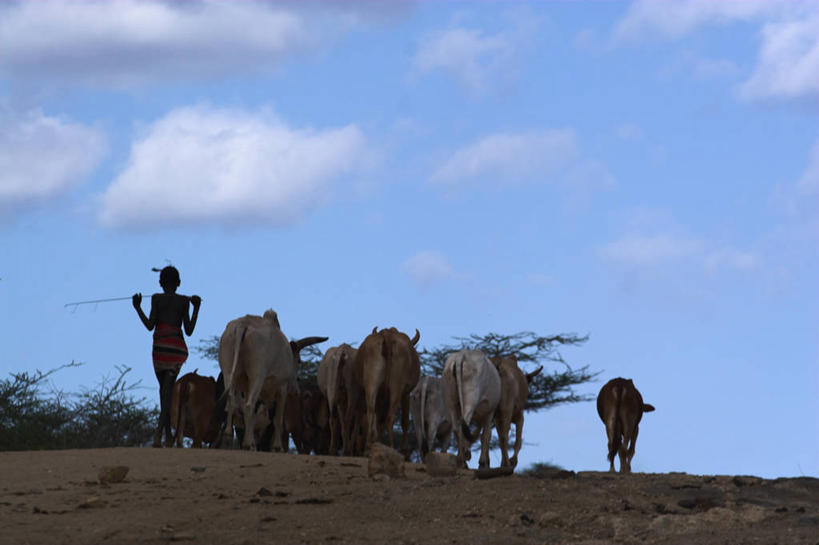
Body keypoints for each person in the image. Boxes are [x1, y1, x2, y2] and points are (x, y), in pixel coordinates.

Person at [133, 266, 201, 448]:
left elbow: (149, 325)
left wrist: (137, 307)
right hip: (176, 351)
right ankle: (164, 436)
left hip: (159, 350)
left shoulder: (156, 299)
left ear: (160, 283)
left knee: (164, 392)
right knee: (166, 393)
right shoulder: (183, 302)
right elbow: (189, 330)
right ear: (178, 283)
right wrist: (197, 309)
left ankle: (161, 436)